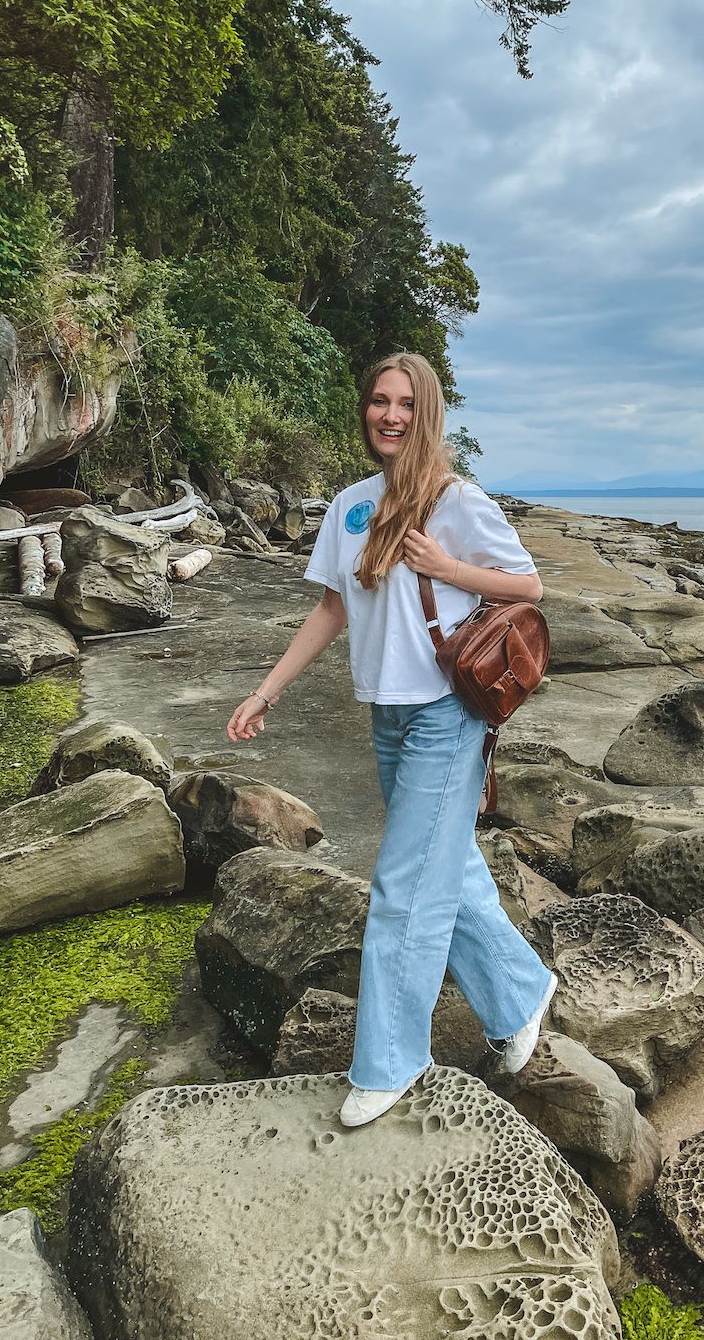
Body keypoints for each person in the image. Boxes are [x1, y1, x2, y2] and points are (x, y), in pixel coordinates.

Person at [226, 351, 558, 1127]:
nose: (391, 415)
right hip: (386, 715)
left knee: (404, 885)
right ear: (366, 410)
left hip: (447, 711)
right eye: (379, 401)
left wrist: (449, 566)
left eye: (406, 403)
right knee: (449, 865)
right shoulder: (350, 506)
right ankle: (520, 990)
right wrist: (265, 690)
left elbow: (530, 587)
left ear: (428, 411)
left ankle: (390, 1059)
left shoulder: (457, 500)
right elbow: (332, 611)